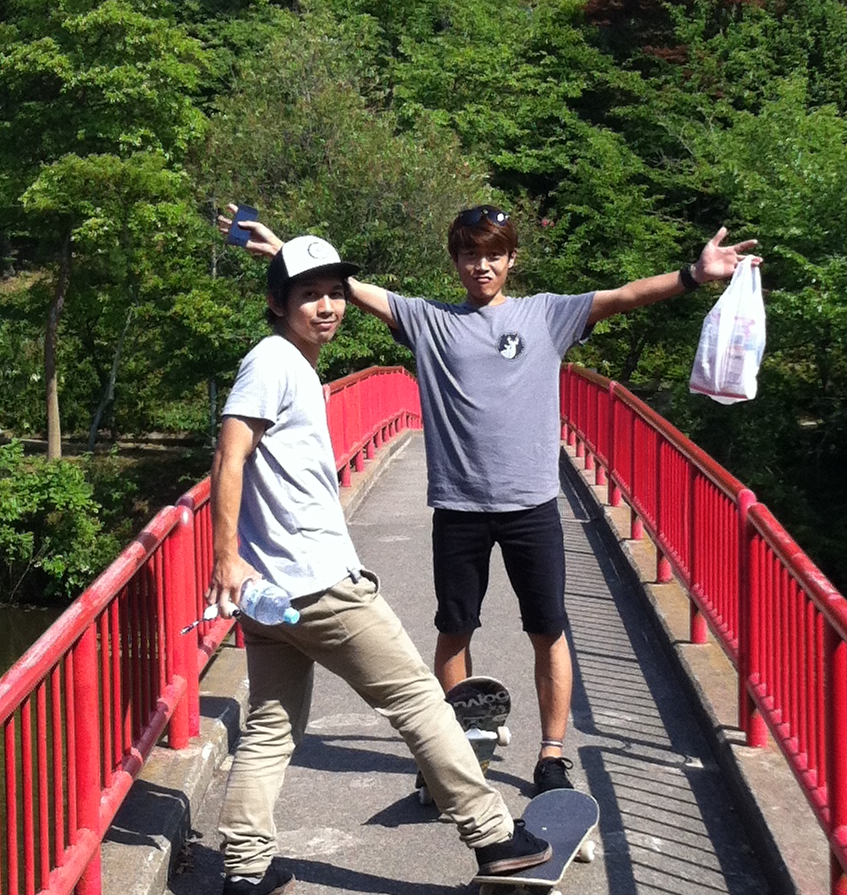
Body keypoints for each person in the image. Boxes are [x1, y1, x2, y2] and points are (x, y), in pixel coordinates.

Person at [223, 204, 755, 792]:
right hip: (459, 509)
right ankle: (455, 753)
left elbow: (624, 295)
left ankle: (552, 756)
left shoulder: (546, 315)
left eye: (494, 255)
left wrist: (694, 275)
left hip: (533, 507)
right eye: (470, 255)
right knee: (455, 629)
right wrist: (285, 253)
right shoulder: (429, 321)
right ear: (455, 261)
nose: (482, 266)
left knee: (547, 630)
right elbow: (342, 289)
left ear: (511, 259)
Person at [207, 230, 551, 895]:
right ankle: (493, 837)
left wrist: (239, 566)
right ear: (278, 304)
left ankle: (244, 869)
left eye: (335, 294)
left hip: (270, 592)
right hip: (318, 585)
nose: (327, 307)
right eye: (310, 295)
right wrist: (223, 557)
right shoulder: (273, 362)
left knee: (272, 724)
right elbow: (229, 455)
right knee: (419, 701)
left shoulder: (292, 363)